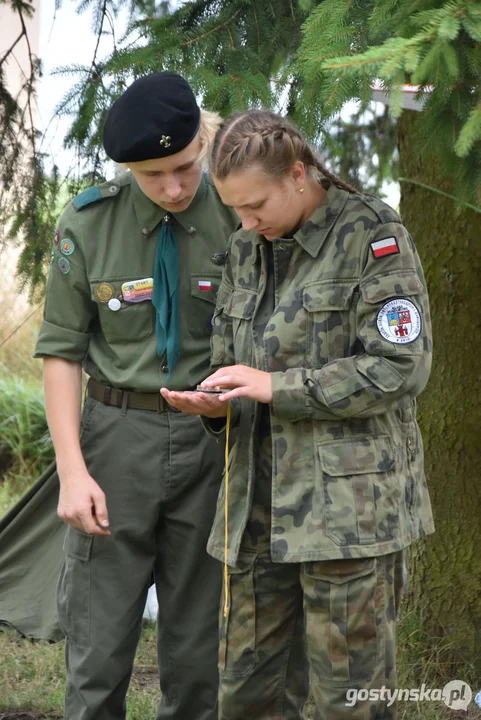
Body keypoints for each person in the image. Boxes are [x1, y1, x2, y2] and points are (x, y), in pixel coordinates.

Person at [161, 109, 435, 720]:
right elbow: (235, 368)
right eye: (234, 209)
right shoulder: (244, 248)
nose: (245, 222)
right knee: (246, 696)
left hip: (346, 514)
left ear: (298, 174)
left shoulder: (373, 235)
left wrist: (276, 386)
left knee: (349, 700)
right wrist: (215, 403)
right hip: (254, 511)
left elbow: (401, 365)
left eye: (255, 205)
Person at [33, 71, 238, 720]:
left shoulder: (241, 212)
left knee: (197, 651)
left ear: (203, 142)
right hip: (116, 437)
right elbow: (62, 350)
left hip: (215, 441)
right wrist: (72, 471)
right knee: (98, 650)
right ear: (126, 168)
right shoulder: (89, 221)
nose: (174, 188)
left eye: (183, 167)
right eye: (153, 176)